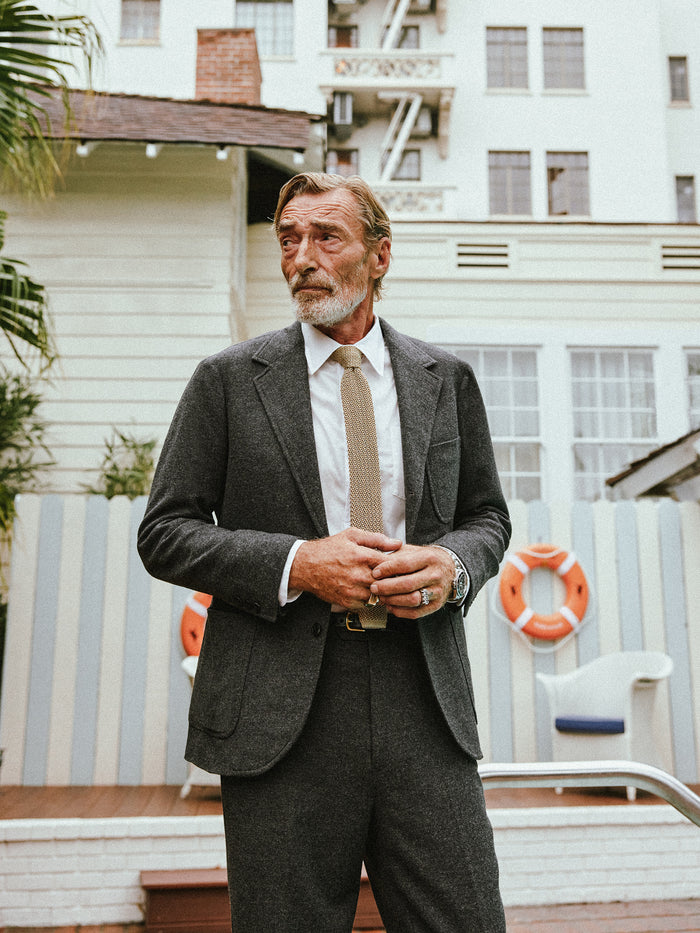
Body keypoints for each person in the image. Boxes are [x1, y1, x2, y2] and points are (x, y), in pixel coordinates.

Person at [138, 172, 511, 933]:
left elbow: (486, 518)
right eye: (287, 239)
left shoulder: (447, 380)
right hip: (281, 714)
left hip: (424, 702)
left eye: (325, 237)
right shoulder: (227, 381)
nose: (300, 257)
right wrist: (297, 564)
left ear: (379, 256)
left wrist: (451, 568)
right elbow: (165, 530)